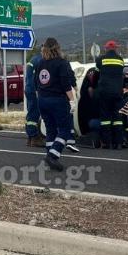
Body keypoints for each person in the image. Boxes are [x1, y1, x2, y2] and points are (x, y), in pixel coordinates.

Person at [34, 38, 76, 172]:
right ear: (57, 48)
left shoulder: (40, 63)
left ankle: (50, 155)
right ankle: (53, 155)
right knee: (64, 129)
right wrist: (72, 100)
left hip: (42, 100)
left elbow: (36, 84)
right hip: (58, 100)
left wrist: (41, 97)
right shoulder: (61, 63)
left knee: (50, 129)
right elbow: (66, 84)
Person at [94, 40, 126, 149]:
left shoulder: (100, 59)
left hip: (105, 92)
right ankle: (119, 143)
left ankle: (107, 143)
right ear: (116, 48)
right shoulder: (121, 60)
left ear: (106, 48)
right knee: (118, 118)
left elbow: (95, 76)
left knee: (105, 118)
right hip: (117, 93)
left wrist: (93, 86)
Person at [24, 50, 46, 147]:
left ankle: (30, 137)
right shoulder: (41, 61)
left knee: (30, 113)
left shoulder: (33, 59)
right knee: (34, 114)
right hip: (35, 91)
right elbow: (38, 78)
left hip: (29, 89)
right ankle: (34, 137)